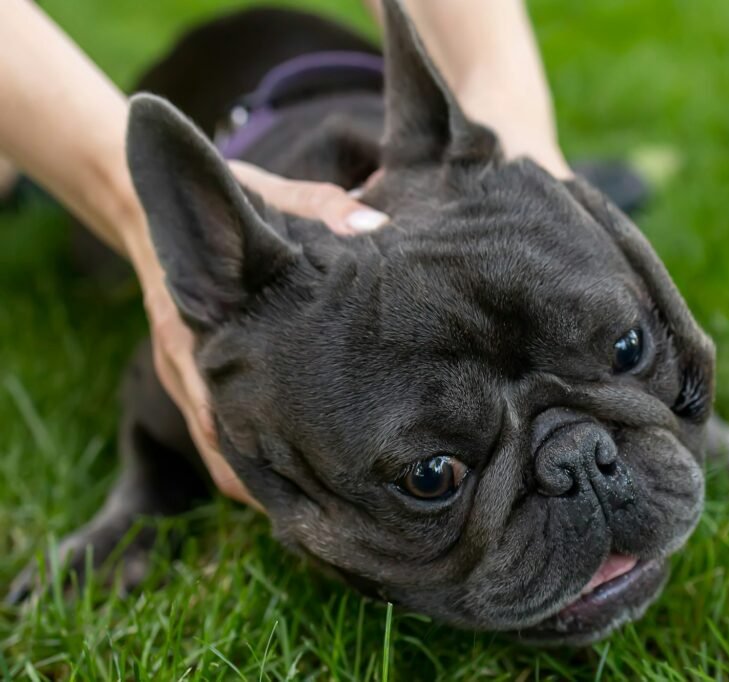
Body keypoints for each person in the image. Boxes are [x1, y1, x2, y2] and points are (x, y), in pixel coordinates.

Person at [0, 0, 571, 508]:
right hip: (204, 88)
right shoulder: (275, 342)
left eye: (626, 350)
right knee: (91, 251)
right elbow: (161, 415)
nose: (571, 474)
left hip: (330, 73)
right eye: (432, 475)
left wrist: (512, 113)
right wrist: (125, 197)